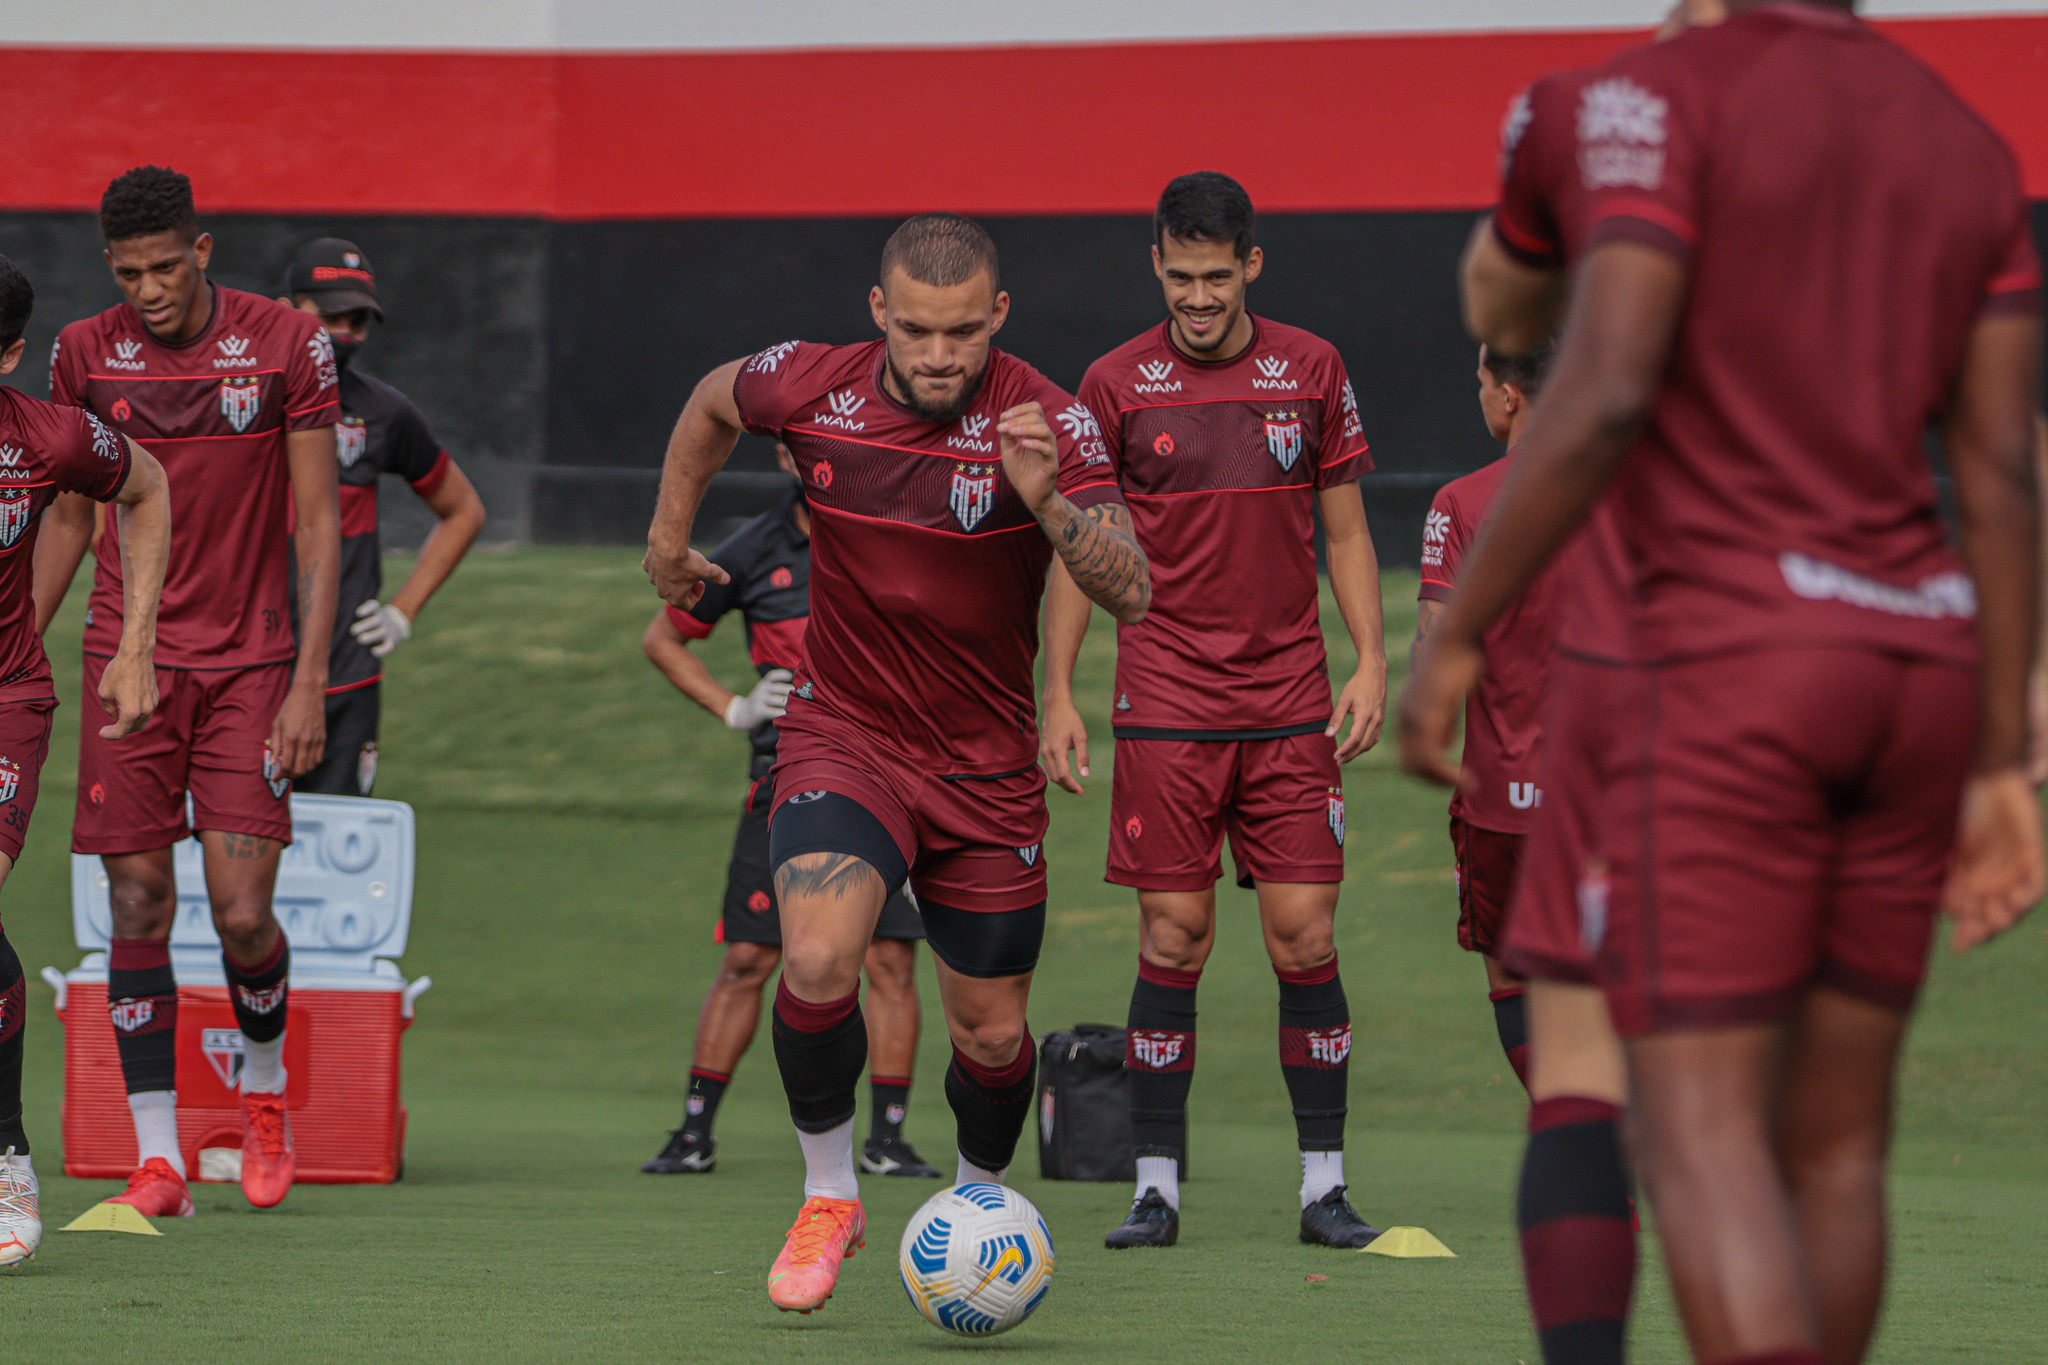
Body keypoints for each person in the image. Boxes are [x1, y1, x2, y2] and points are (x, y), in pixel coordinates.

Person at [1402, 6, 2043, 1365]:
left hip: (1718, 664)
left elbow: (1587, 361)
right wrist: (1998, 753)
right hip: (1914, 663)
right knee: (1836, 1146)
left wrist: (1456, 638)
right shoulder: (1965, 142)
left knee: (1690, 1128)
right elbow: (1997, 470)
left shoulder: (1631, 100)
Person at [642, 213, 1149, 1315]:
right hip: (846, 735)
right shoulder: (810, 384)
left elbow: (1132, 589)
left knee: (993, 1033)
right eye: (917, 330)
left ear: (997, 318)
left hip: (983, 767)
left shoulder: (1049, 419)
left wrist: (1049, 505)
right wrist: (666, 540)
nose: (938, 355)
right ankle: (830, 1196)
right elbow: (711, 400)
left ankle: (976, 1207)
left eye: (963, 331)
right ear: (879, 313)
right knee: (817, 961)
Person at [1042, 172, 1385, 1250]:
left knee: (1302, 938)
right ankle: (1155, 1190)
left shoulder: (1312, 367)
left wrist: (1371, 660)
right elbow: (1078, 554)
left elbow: (1342, 532)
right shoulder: (1109, 383)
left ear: (1249, 265)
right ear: (1155, 264)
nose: (1196, 297)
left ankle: (1321, 1189)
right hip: (1166, 704)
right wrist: (1056, 688)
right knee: (1174, 936)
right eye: (1177, 276)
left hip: (1287, 702)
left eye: (1214, 276)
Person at [36, 166, 343, 1217]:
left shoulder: (284, 343)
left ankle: (263, 1095)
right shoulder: (82, 352)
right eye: (130, 273)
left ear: (201, 251)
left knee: (243, 913)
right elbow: (73, 516)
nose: (151, 289)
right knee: (136, 900)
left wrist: (310, 683)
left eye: (167, 267)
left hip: (254, 667)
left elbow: (316, 523)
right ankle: (157, 1155)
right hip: (131, 663)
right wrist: (19, 645)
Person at [638, 442, 938, 1180]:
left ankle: (888, 1138)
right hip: (786, 782)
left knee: (891, 959)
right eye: (811, 448)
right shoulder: (756, 548)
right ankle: (694, 1131)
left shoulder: (900, 532)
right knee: (751, 957)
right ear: (787, 454)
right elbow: (664, 637)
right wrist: (734, 706)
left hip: (894, 778)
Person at [0, 254, 172, 1267]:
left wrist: (135, 643)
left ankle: (8, 1159)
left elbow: (146, 488)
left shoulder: (47, 438)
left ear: (13, 355)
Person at [278, 238, 486, 796]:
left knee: (339, 859)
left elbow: (463, 511)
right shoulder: (236, 404)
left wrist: (401, 612)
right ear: (285, 308)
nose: (345, 334)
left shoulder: (384, 413)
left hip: (347, 679)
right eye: (329, 316)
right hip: (244, 676)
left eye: (358, 320)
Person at [1414, 340, 1562, 1095]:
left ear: (1508, 395)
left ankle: (1587, 1152)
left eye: (1479, 381)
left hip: (1503, 802)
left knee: (1516, 987)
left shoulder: (1462, 504)